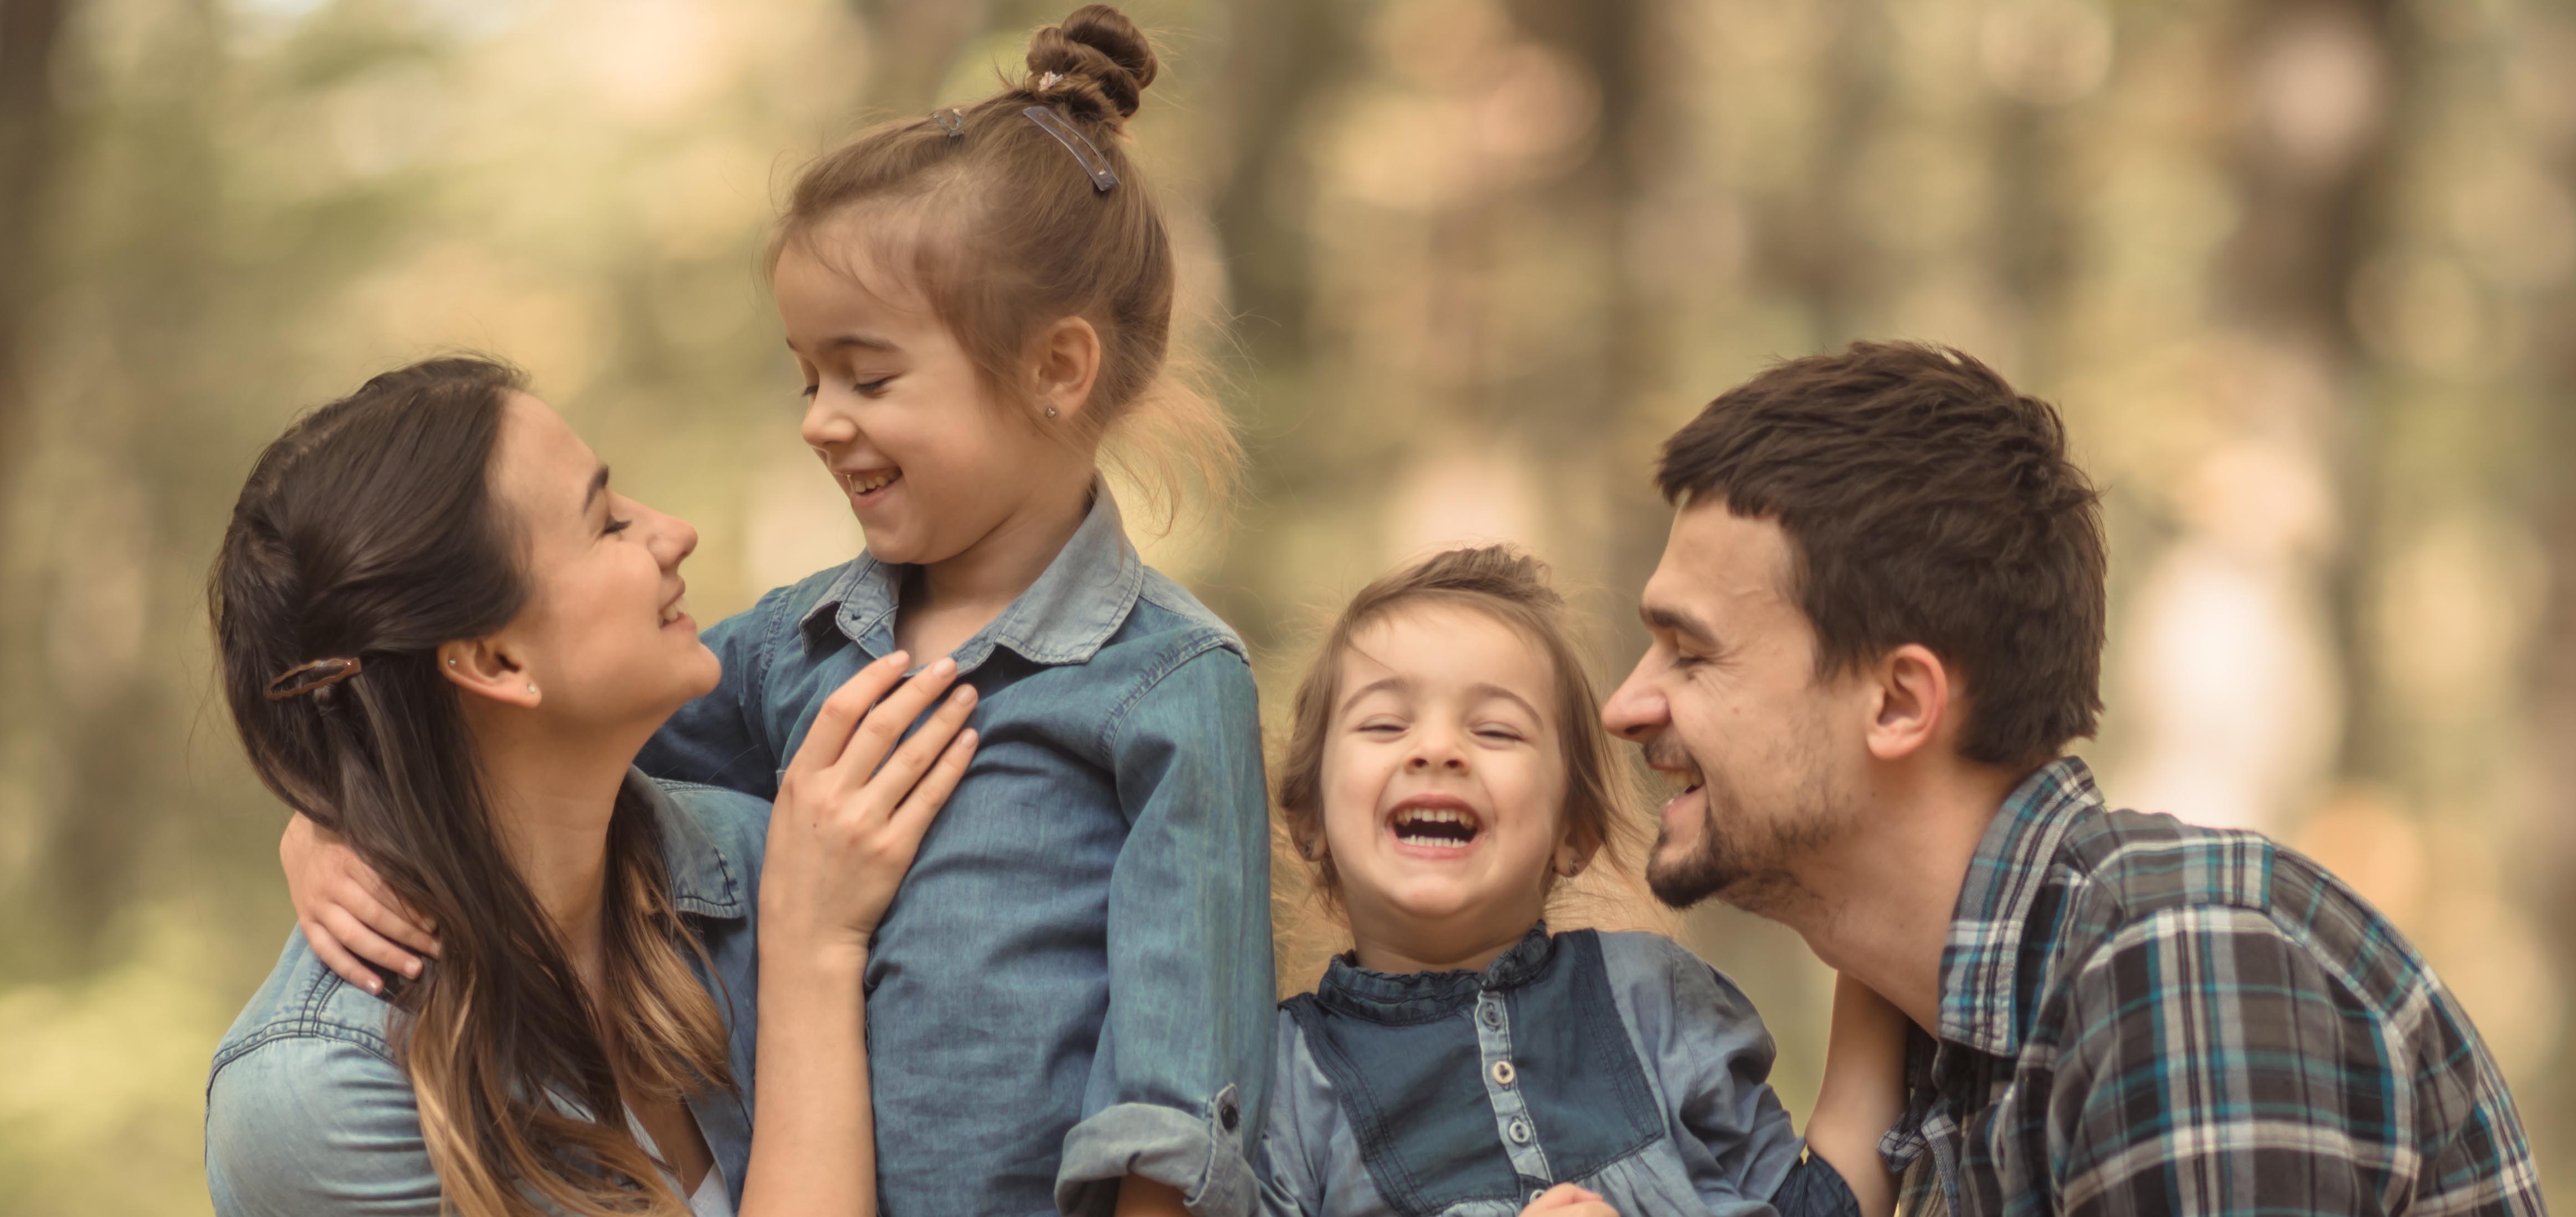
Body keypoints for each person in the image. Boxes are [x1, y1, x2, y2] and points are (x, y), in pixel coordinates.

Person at [279, 9, 1276, 1215]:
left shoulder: (1167, 683)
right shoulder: (790, 650)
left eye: (869, 373)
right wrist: (335, 825)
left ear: (1055, 369)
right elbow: (524, 760)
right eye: (808, 376)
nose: (819, 419)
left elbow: (1183, 1080)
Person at [1604, 342, 2546, 1215]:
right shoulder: (1956, 1072)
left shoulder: (2173, 965)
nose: (1624, 706)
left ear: (1897, 703)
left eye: (1689, 654)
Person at [202, 358, 980, 1216]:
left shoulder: (762, 860)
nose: (674, 532)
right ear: (496, 660)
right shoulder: (318, 1096)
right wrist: (814, 960)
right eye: (608, 523)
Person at [1256, 545, 1908, 1217]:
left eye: (1495, 729)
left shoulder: (1653, 999)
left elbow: (1817, 1203)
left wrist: (1882, 883)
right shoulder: (1280, 1078)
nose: (1437, 748)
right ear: (1309, 819)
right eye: (1385, 723)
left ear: (1575, 832)